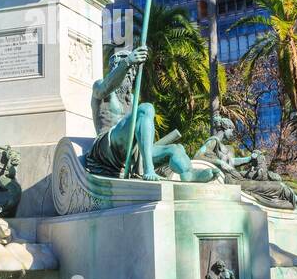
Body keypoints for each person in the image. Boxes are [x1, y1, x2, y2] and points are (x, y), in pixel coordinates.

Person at [85, 47, 217, 182]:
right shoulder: (100, 86)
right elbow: (105, 88)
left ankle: (189, 174)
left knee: (175, 149)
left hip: (130, 151)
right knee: (146, 108)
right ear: (116, 68)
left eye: (132, 73)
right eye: (127, 71)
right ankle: (148, 169)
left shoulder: (131, 98)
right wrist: (128, 62)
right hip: (106, 147)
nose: (130, 75)